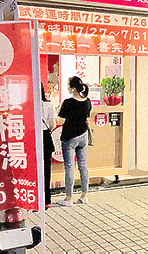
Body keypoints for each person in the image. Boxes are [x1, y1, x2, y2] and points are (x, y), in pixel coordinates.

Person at [56, 76, 91, 206]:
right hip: (83, 136)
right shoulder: (87, 101)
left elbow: (60, 120)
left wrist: (57, 111)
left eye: (68, 85)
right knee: (83, 166)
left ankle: (68, 198)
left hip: (69, 137)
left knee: (70, 167)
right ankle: (84, 196)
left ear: (72, 88)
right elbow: (86, 117)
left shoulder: (68, 102)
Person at [41, 83, 56, 209]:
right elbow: (52, 125)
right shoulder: (49, 105)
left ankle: (34, 200)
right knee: (46, 170)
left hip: (33, 138)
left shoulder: (28, 106)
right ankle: (47, 200)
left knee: (34, 170)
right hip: (46, 138)